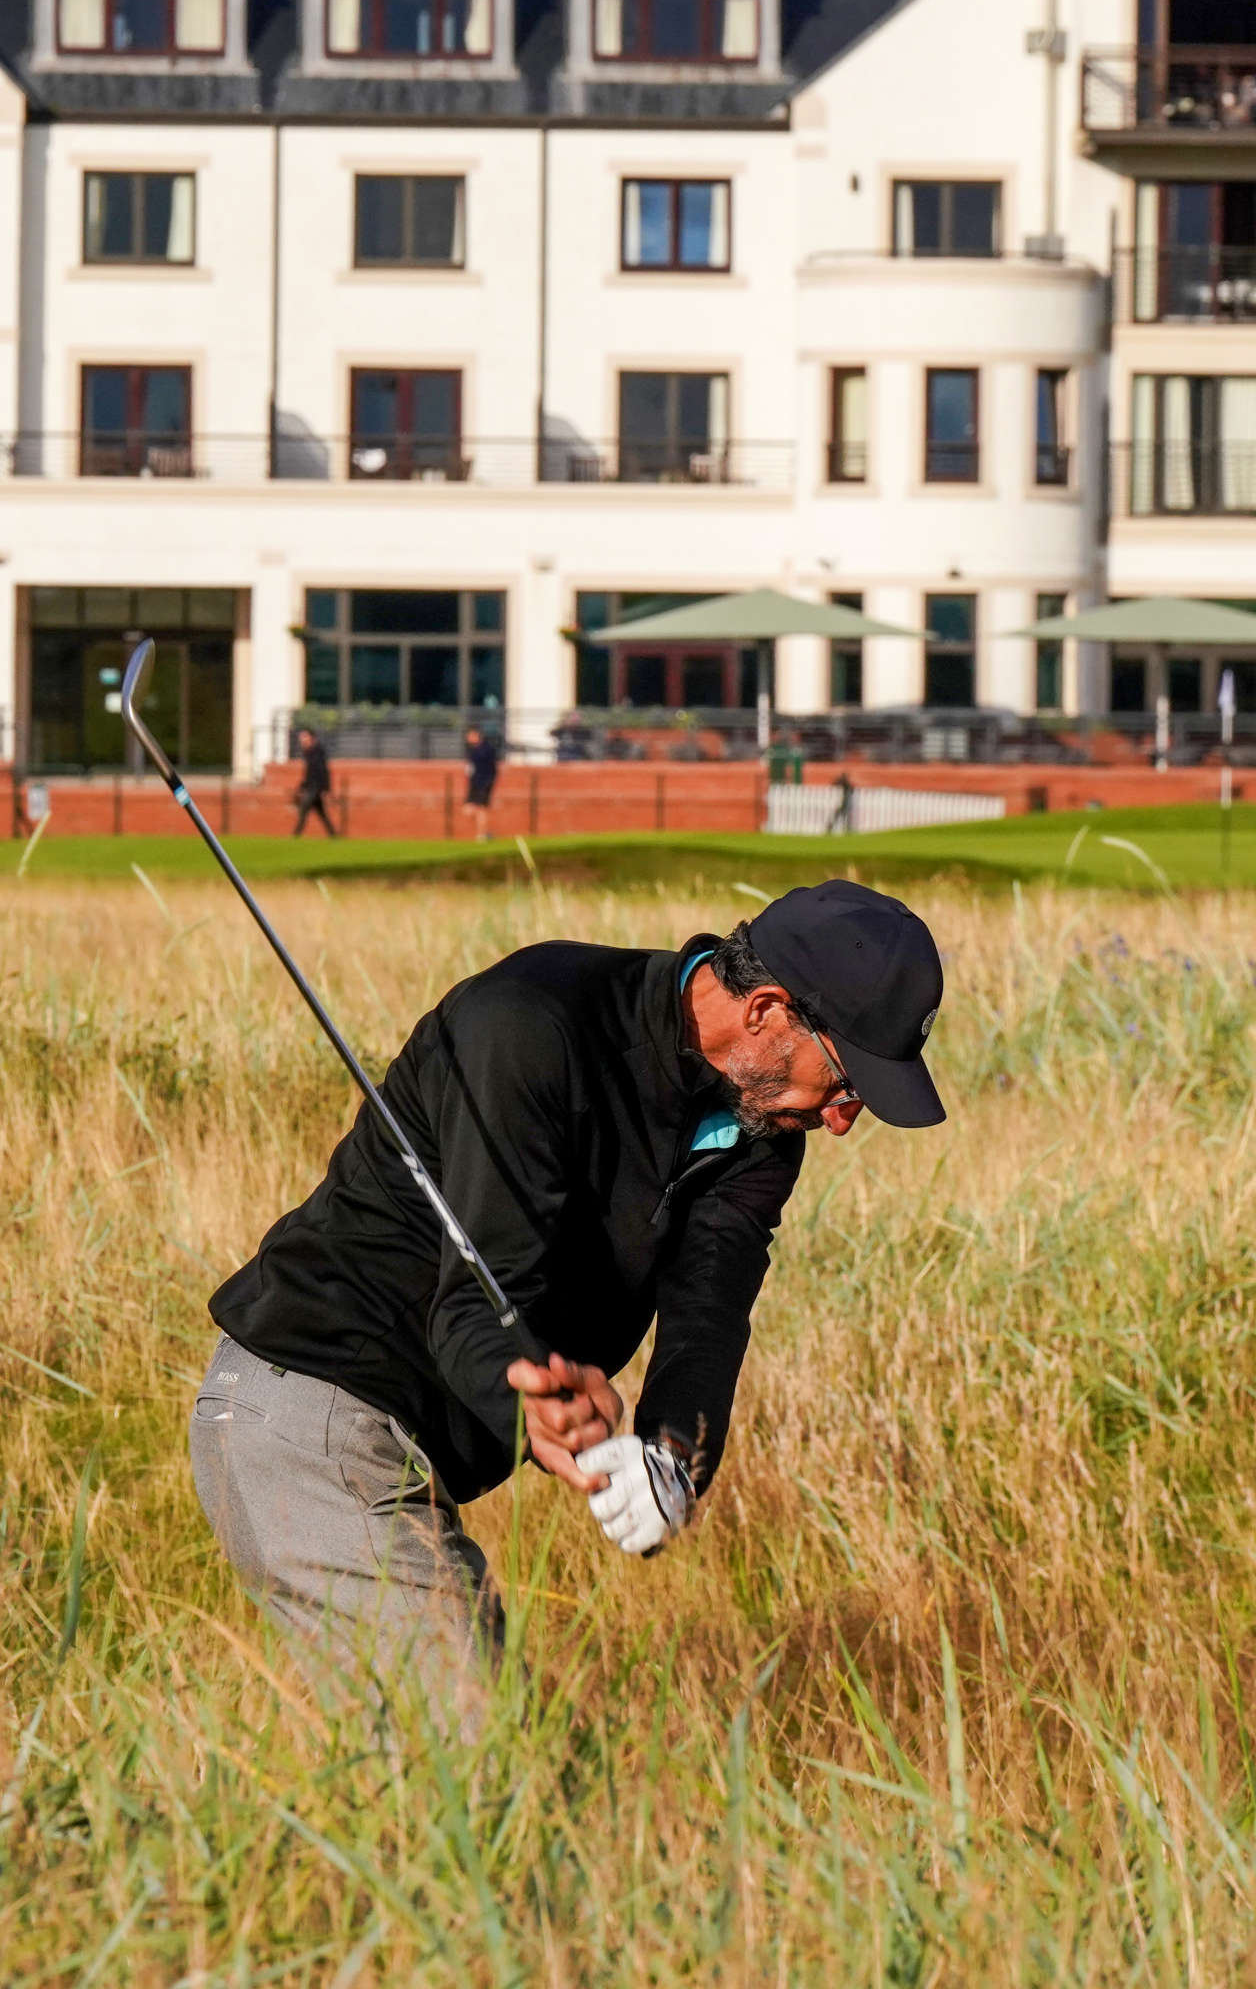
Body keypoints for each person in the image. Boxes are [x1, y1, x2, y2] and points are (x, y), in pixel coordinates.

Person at [187, 881, 945, 1732]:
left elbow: (710, 1310)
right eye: (845, 1083)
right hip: (310, 1412)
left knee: (491, 1781)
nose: (842, 1121)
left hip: (402, 1450)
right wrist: (537, 1410)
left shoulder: (764, 1130)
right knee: (478, 1760)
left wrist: (670, 1459)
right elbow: (472, 1307)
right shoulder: (531, 1025)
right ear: (767, 1010)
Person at [291, 726, 337, 839]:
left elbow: (322, 771)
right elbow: (309, 772)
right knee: (322, 813)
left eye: (304, 736)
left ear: (311, 737)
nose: (301, 739)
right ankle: (333, 835)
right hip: (312, 786)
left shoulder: (317, 751)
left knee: (303, 809)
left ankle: (296, 835)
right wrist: (303, 785)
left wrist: (326, 788)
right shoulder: (309, 752)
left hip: (315, 787)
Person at [462, 724, 500, 839]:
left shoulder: (486, 749)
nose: (468, 738)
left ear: (476, 735)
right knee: (468, 810)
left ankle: (482, 834)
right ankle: (485, 832)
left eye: (470, 736)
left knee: (481, 809)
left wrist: (488, 783)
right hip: (474, 784)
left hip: (483, 784)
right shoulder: (472, 750)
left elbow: (492, 769)